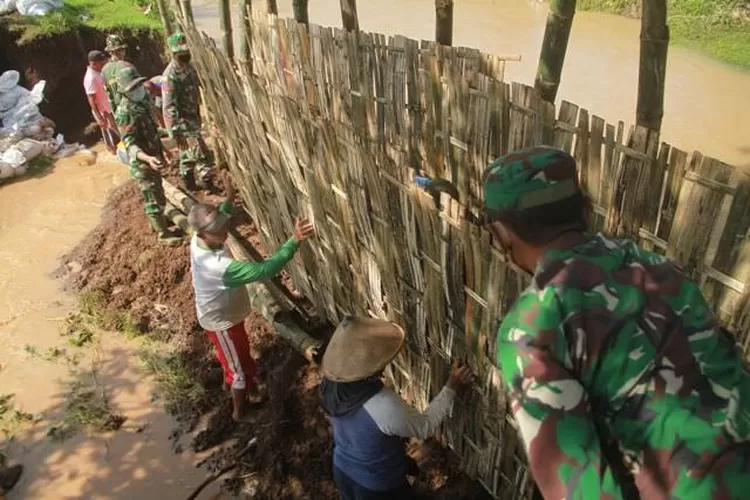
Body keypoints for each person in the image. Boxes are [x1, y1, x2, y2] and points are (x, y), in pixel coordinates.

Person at [482, 146, 750, 498]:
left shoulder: (532, 328)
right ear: (585, 209)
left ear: (502, 234)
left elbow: (580, 489)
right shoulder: (655, 266)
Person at [187, 174, 315, 422]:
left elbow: (220, 213)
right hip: (220, 321)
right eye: (217, 231)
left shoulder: (199, 238)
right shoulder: (217, 266)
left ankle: (231, 384)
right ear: (203, 235)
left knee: (238, 357)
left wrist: (229, 194)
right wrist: (294, 240)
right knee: (239, 373)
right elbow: (265, 270)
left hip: (227, 315)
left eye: (223, 226)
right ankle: (240, 411)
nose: (224, 232)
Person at [319, 317, 473, 500]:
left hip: (343, 470)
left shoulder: (330, 386)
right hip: (378, 488)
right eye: (376, 362)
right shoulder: (382, 405)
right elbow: (425, 426)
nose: (382, 367)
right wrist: (451, 385)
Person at [114, 66, 181, 246]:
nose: (137, 90)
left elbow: (151, 130)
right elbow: (130, 144)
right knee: (153, 197)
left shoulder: (142, 101)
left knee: (157, 190)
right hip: (143, 162)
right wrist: (148, 158)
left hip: (154, 155)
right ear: (124, 91)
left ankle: (159, 222)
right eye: (133, 88)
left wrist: (164, 149)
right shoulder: (124, 113)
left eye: (138, 85)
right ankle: (163, 235)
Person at [162, 32, 213, 191]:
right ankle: (207, 183)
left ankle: (188, 182)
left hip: (193, 116)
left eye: (186, 51)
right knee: (202, 153)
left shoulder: (189, 67)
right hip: (182, 120)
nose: (185, 54)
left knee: (187, 153)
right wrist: (174, 131)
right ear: (174, 53)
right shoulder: (170, 75)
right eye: (181, 52)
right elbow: (168, 106)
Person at [83, 50, 118, 154]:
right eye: (101, 63)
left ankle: (119, 151)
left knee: (117, 131)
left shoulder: (99, 72)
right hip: (104, 111)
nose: (103, 64)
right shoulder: (90, 78)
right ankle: (114, 152)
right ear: (93, 63)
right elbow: (91, 98)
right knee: (111, 133)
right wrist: (99, 116)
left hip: (110, 107)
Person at [102, 34, 133, 113]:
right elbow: (109, 95)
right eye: (118, 51)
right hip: (125, 111)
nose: (122, 53)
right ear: (111, 52)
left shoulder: (127, 65)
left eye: (123, 50)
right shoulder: (105, 71)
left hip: (131, 109)